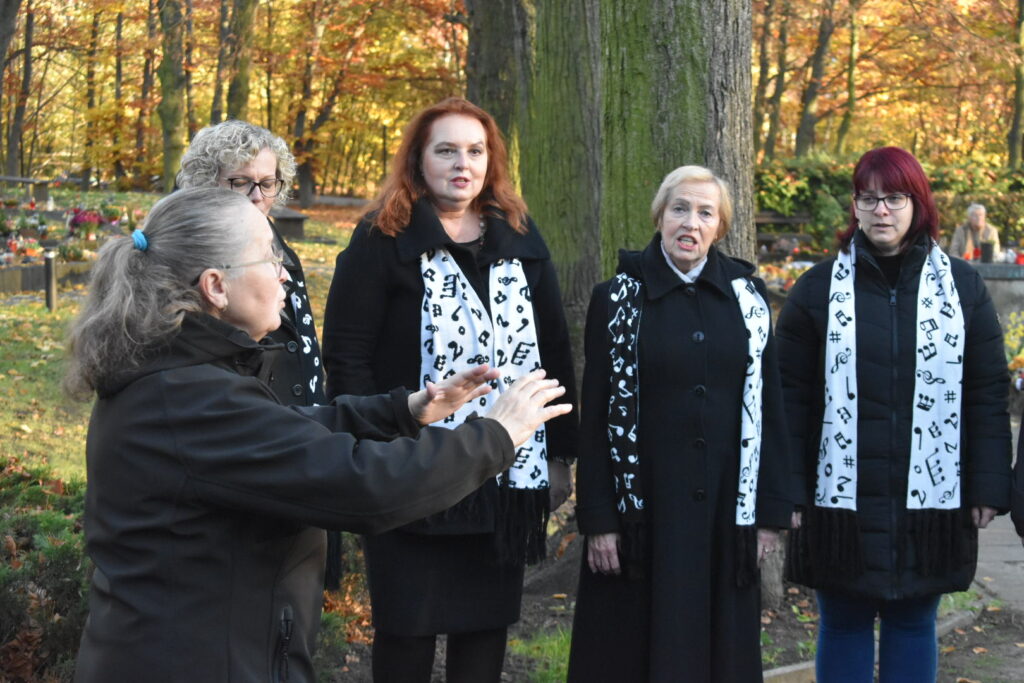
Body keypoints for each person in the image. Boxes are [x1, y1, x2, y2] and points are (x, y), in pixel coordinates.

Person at [67, 188, 572, 682]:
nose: (284, 273)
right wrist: (496, 434)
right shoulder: (189, 399)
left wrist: (405, 410)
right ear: (216, 286)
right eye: (269, 257)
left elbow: (289, 434)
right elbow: (366, 485)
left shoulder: (186, 377)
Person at [321, 97, 578, 682]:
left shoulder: (518, 234)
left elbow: (553, 347)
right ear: (418, 159)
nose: (463, 164)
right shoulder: (381, 237)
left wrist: (560, 453)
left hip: (504, 471)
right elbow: (348, 353)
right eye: (446, 151)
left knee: (484, 630)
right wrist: (372, 443)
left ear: (491, 161)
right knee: (406, 629)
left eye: (475, 151)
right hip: (409, 466)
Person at [776, 147, 1012, 683]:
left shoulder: (963, 288)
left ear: (918, 203)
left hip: (931, 503)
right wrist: (787, 492)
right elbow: (789, 399)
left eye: (894, 198)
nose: (881, 210)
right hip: (839, 504)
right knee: (843, 621)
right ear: (855, 206)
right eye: (869, 198)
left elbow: (986, 392)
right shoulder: (817, 290)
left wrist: (988, 486)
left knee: (913, 621)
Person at [566, 165, 795, 682]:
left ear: (720, 227)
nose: (691, 222)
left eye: (705, 213)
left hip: (724, 516)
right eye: (680, 209)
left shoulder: (749, 301)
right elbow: (596, 415)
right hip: (641, 518)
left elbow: (770, 408)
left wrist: (769, 515)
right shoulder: (616, 299)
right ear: (660, 216)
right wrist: (599, 519)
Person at [176, 120, 349, 588]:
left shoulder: (276, 243)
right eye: (240, 182)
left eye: (267, 183)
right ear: (206, 181)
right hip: (248, 444)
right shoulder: (194, 249)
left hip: (300, 430)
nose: (257, 196)